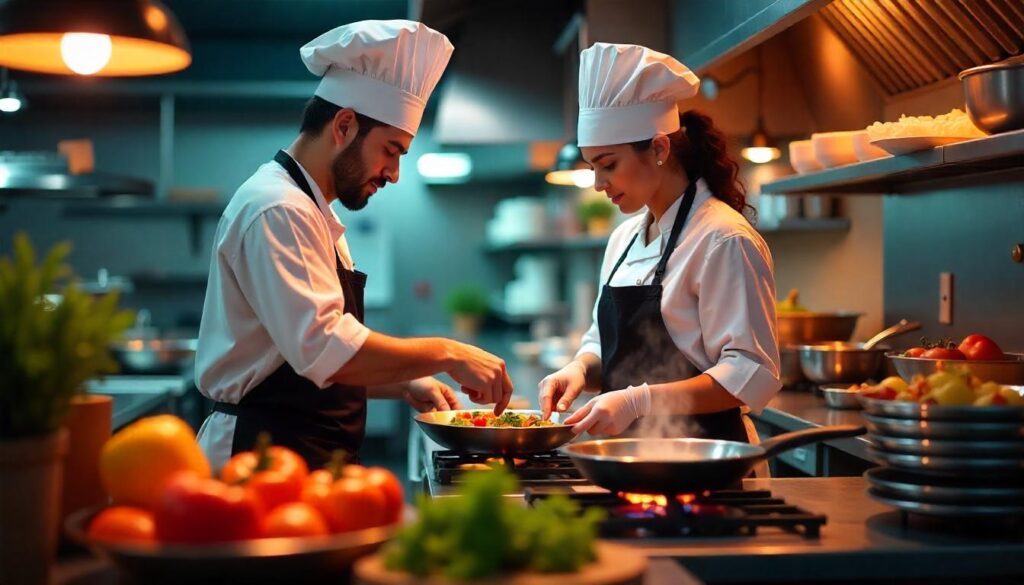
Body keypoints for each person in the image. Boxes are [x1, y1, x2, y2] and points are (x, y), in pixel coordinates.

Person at [195, 20, 513, 471]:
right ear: (344, 125)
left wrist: (404, 383)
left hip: (296, 453)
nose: (394, 173)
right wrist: (450, 352)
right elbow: (326, 348)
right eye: (391, 150)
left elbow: (300, 366)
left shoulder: (314, 213)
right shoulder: (278, 208)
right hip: (259, 459)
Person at [539, 43, 780, 442]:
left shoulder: (722, 238)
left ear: (659, 148)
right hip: (632, 464)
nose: (598, 184)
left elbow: (750, 373)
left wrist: (641, 402)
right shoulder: (623, 240)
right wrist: (580, 369)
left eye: (608, 165)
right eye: (593, 168)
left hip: (706, 468)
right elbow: (606, 348)